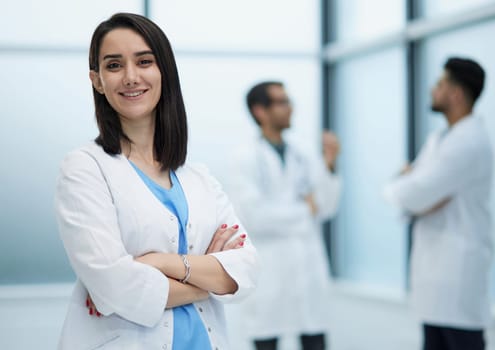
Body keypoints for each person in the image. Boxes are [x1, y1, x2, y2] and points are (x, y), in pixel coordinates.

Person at [54, 13, 258, 350]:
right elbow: (115, 287)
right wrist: (211, 280)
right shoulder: (85, 168)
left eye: (144, 61)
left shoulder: (199, 178)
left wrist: (161, 264)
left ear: (164, 70)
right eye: (114, 65)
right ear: (97, 80)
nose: (131, 77)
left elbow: (247, 269)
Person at [384, 57, 492, 350]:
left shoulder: (467, 143)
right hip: (436, 276)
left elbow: (414, 193)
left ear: (456, 93)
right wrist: (410, 190)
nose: (433, 89)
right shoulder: (441, 139)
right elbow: (415, 194)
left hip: (457, 273)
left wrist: (408, 188)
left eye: (440, 84)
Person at [227, 81, 342, 350]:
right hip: (271, 269)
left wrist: (331, 163)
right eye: (281, 102)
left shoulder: (303, 152)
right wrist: (305, 211)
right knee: (267, 337)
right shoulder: (244, 157)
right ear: (260, 111)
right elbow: (254, 217)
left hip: (307, 266)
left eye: (288, 101)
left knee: (314, 336)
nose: (290, 108)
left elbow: (326, 206)